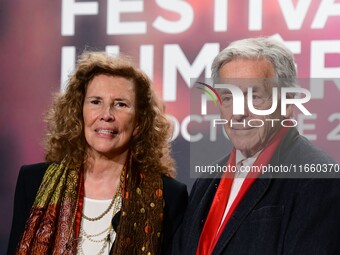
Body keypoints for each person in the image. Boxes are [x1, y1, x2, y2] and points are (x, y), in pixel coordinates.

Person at [7, 51, 188, 255]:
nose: (106, 115)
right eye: (95, 102)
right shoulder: (32, 182)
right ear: (78, 112)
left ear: (139, 122)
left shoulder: (170, 197)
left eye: (120, 104)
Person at [173, 37, 340, 255]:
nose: (239, 113)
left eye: (254, 96)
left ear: (288, 103)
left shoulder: (317, 178)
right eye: (228, 97)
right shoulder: (207, 180)